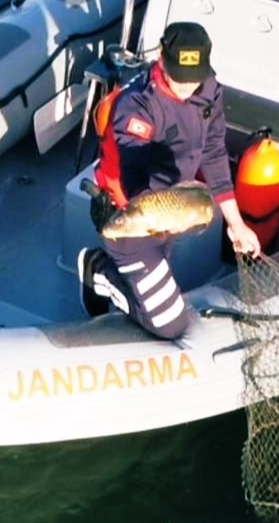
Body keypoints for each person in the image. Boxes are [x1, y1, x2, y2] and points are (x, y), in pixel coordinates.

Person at [77, 21, 262, 340]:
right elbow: (133, 171)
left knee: (158, 283)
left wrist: (236, 223)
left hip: (170, 211)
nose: (186, 88)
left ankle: (136, 280)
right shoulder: (137, 105)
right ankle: (100, 271)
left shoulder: (209, 89)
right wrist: (148, 213)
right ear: (162, 59)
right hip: (131, 215)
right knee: (170, 325)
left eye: (193, 80)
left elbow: (214, 152)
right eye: (178, 79)